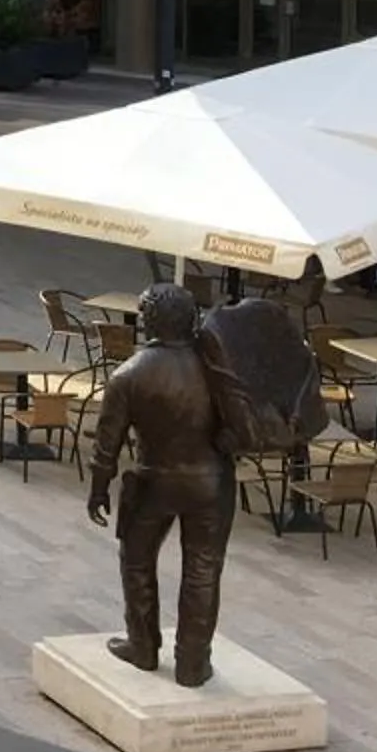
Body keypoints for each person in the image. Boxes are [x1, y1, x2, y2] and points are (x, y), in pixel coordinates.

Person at [85, 282, 256, 688]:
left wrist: (98, 488)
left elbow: (106, 444)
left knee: (137, 561)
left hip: (153, 480)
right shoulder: (216, 366)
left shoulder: (128, 375)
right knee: (203, 572)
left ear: (148, 321)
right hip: (211, 483)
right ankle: (192, 664)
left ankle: (142, 646)